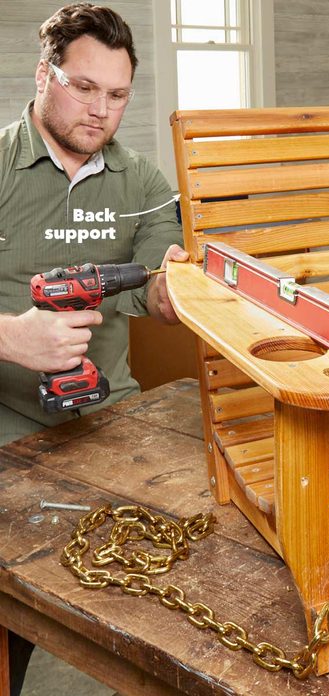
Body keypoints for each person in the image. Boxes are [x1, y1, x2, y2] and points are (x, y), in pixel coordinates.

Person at [0, 4, 187, 693]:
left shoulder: (140, 182)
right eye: (83, 87)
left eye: (117, 95)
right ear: (44, 74)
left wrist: (182, 287)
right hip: (7, 424)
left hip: (113, 414)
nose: (100, 111)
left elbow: (162, 277)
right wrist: (11, 337)